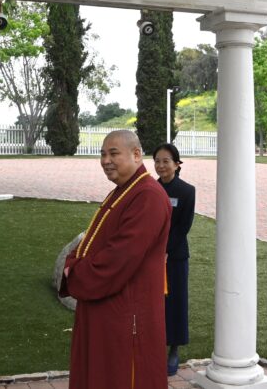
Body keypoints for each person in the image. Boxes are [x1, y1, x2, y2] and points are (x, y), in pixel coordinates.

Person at [60, 130, 172, 389]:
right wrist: (74, 261)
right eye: (102, 154)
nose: (105, 161)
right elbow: (93, 240)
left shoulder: (148, 196)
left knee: (120, 377)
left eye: (113, 154)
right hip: (106, 306)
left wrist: (75, 272)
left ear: (136, 154)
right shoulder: (125, 191)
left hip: (127, 313)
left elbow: (119, 258)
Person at [152, 143, 195, 376]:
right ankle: (153, 346)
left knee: (176, 302)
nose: (161, 166)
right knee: (153, 301)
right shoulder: (150, 189)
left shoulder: (187, 191)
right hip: (150, 255)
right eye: (157, 161)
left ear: (177, 164)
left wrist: (165, 249)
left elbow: (184, 226)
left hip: (175, 256)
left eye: (166, 161)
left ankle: (174, 349)